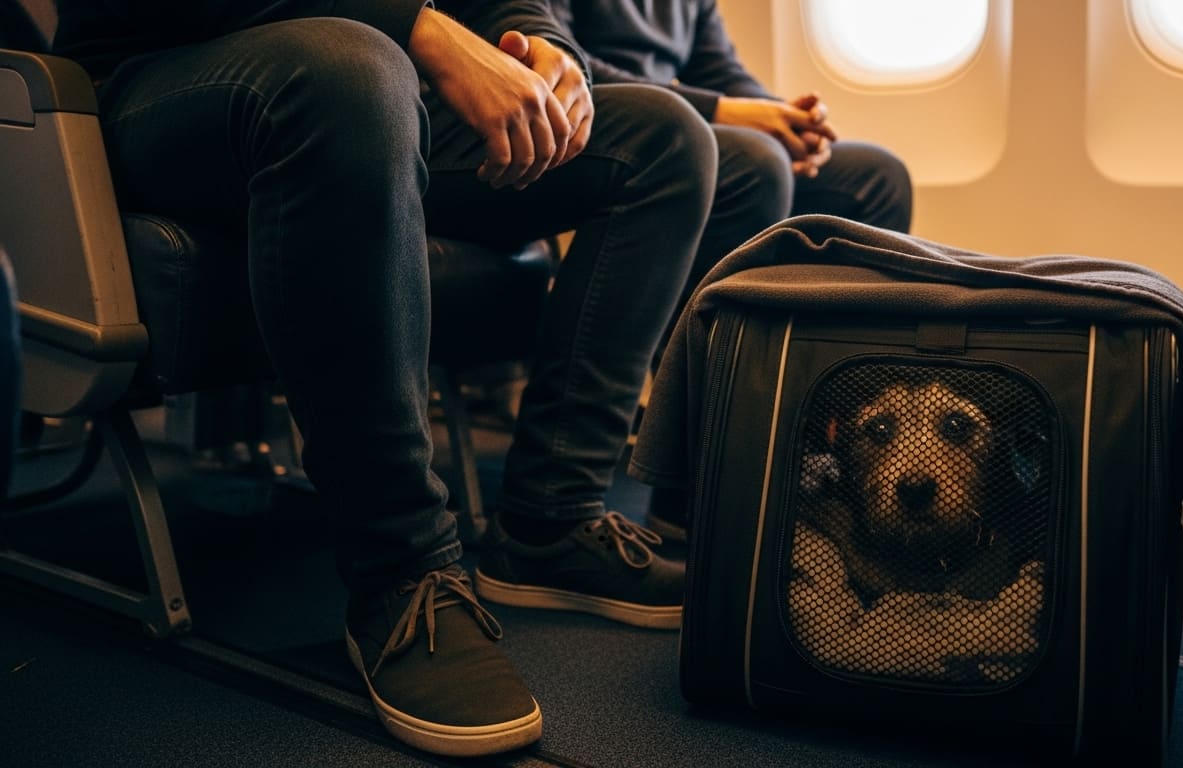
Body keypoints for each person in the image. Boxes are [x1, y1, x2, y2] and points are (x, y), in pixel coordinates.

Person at [54, 0, 715, 758]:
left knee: (664, 140)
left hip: (386, 68)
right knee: (350, 70)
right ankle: (401, 572)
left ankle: (548, 520)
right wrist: (420, 28)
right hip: (165, 73)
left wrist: (541, 43)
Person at [549, 0, 913, 540]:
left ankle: (834, 455)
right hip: (589, 128)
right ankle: (696, 475)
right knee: (751, 164)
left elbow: (718, 68)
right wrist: (729, 113)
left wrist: (787, 120)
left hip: (680, 124)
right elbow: (567, 65)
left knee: (875, 178)